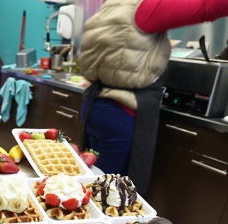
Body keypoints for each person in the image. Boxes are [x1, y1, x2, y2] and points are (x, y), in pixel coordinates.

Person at [78, 0, 228, 194]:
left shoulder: (112, 5)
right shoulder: (145, 8)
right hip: (122, 111)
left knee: (94, 179)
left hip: (97, 103)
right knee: (112, 192)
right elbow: (209, 7)